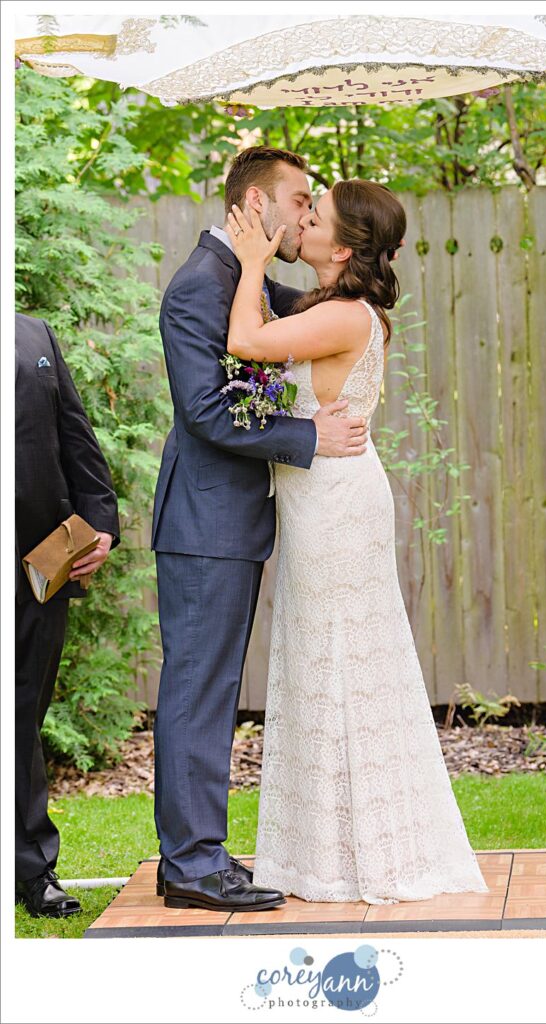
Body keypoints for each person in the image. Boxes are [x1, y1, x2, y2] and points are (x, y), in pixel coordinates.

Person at [224, 179, 489, 904]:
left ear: (341, 249)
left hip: (335, 506)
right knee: (324, 660)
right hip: (322, 498)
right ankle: (332, 849)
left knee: (339, 660)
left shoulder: (344, 315)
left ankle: (360, 854)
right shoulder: (331, 308)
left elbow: (245, 342)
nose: (303, 222)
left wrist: (251, 261)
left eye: (315, 217)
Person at [152, 147, 369, 913]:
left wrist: (356, 259)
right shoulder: (196, 287)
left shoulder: (245, 278)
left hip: (234, 522)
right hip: (204, 524)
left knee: (210, 690)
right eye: (300, 200)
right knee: (197, 692)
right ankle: (190, 865)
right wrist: (310, 439)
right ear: (255, 204)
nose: (306, 214)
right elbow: (206, 414)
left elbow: (314, 313)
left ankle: (198, 855)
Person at [15, 312, 120, 918]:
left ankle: (32, 868)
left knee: (23, 711)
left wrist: (99, 522)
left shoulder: (35, 334)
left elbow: (73, 432)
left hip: (40, 561)